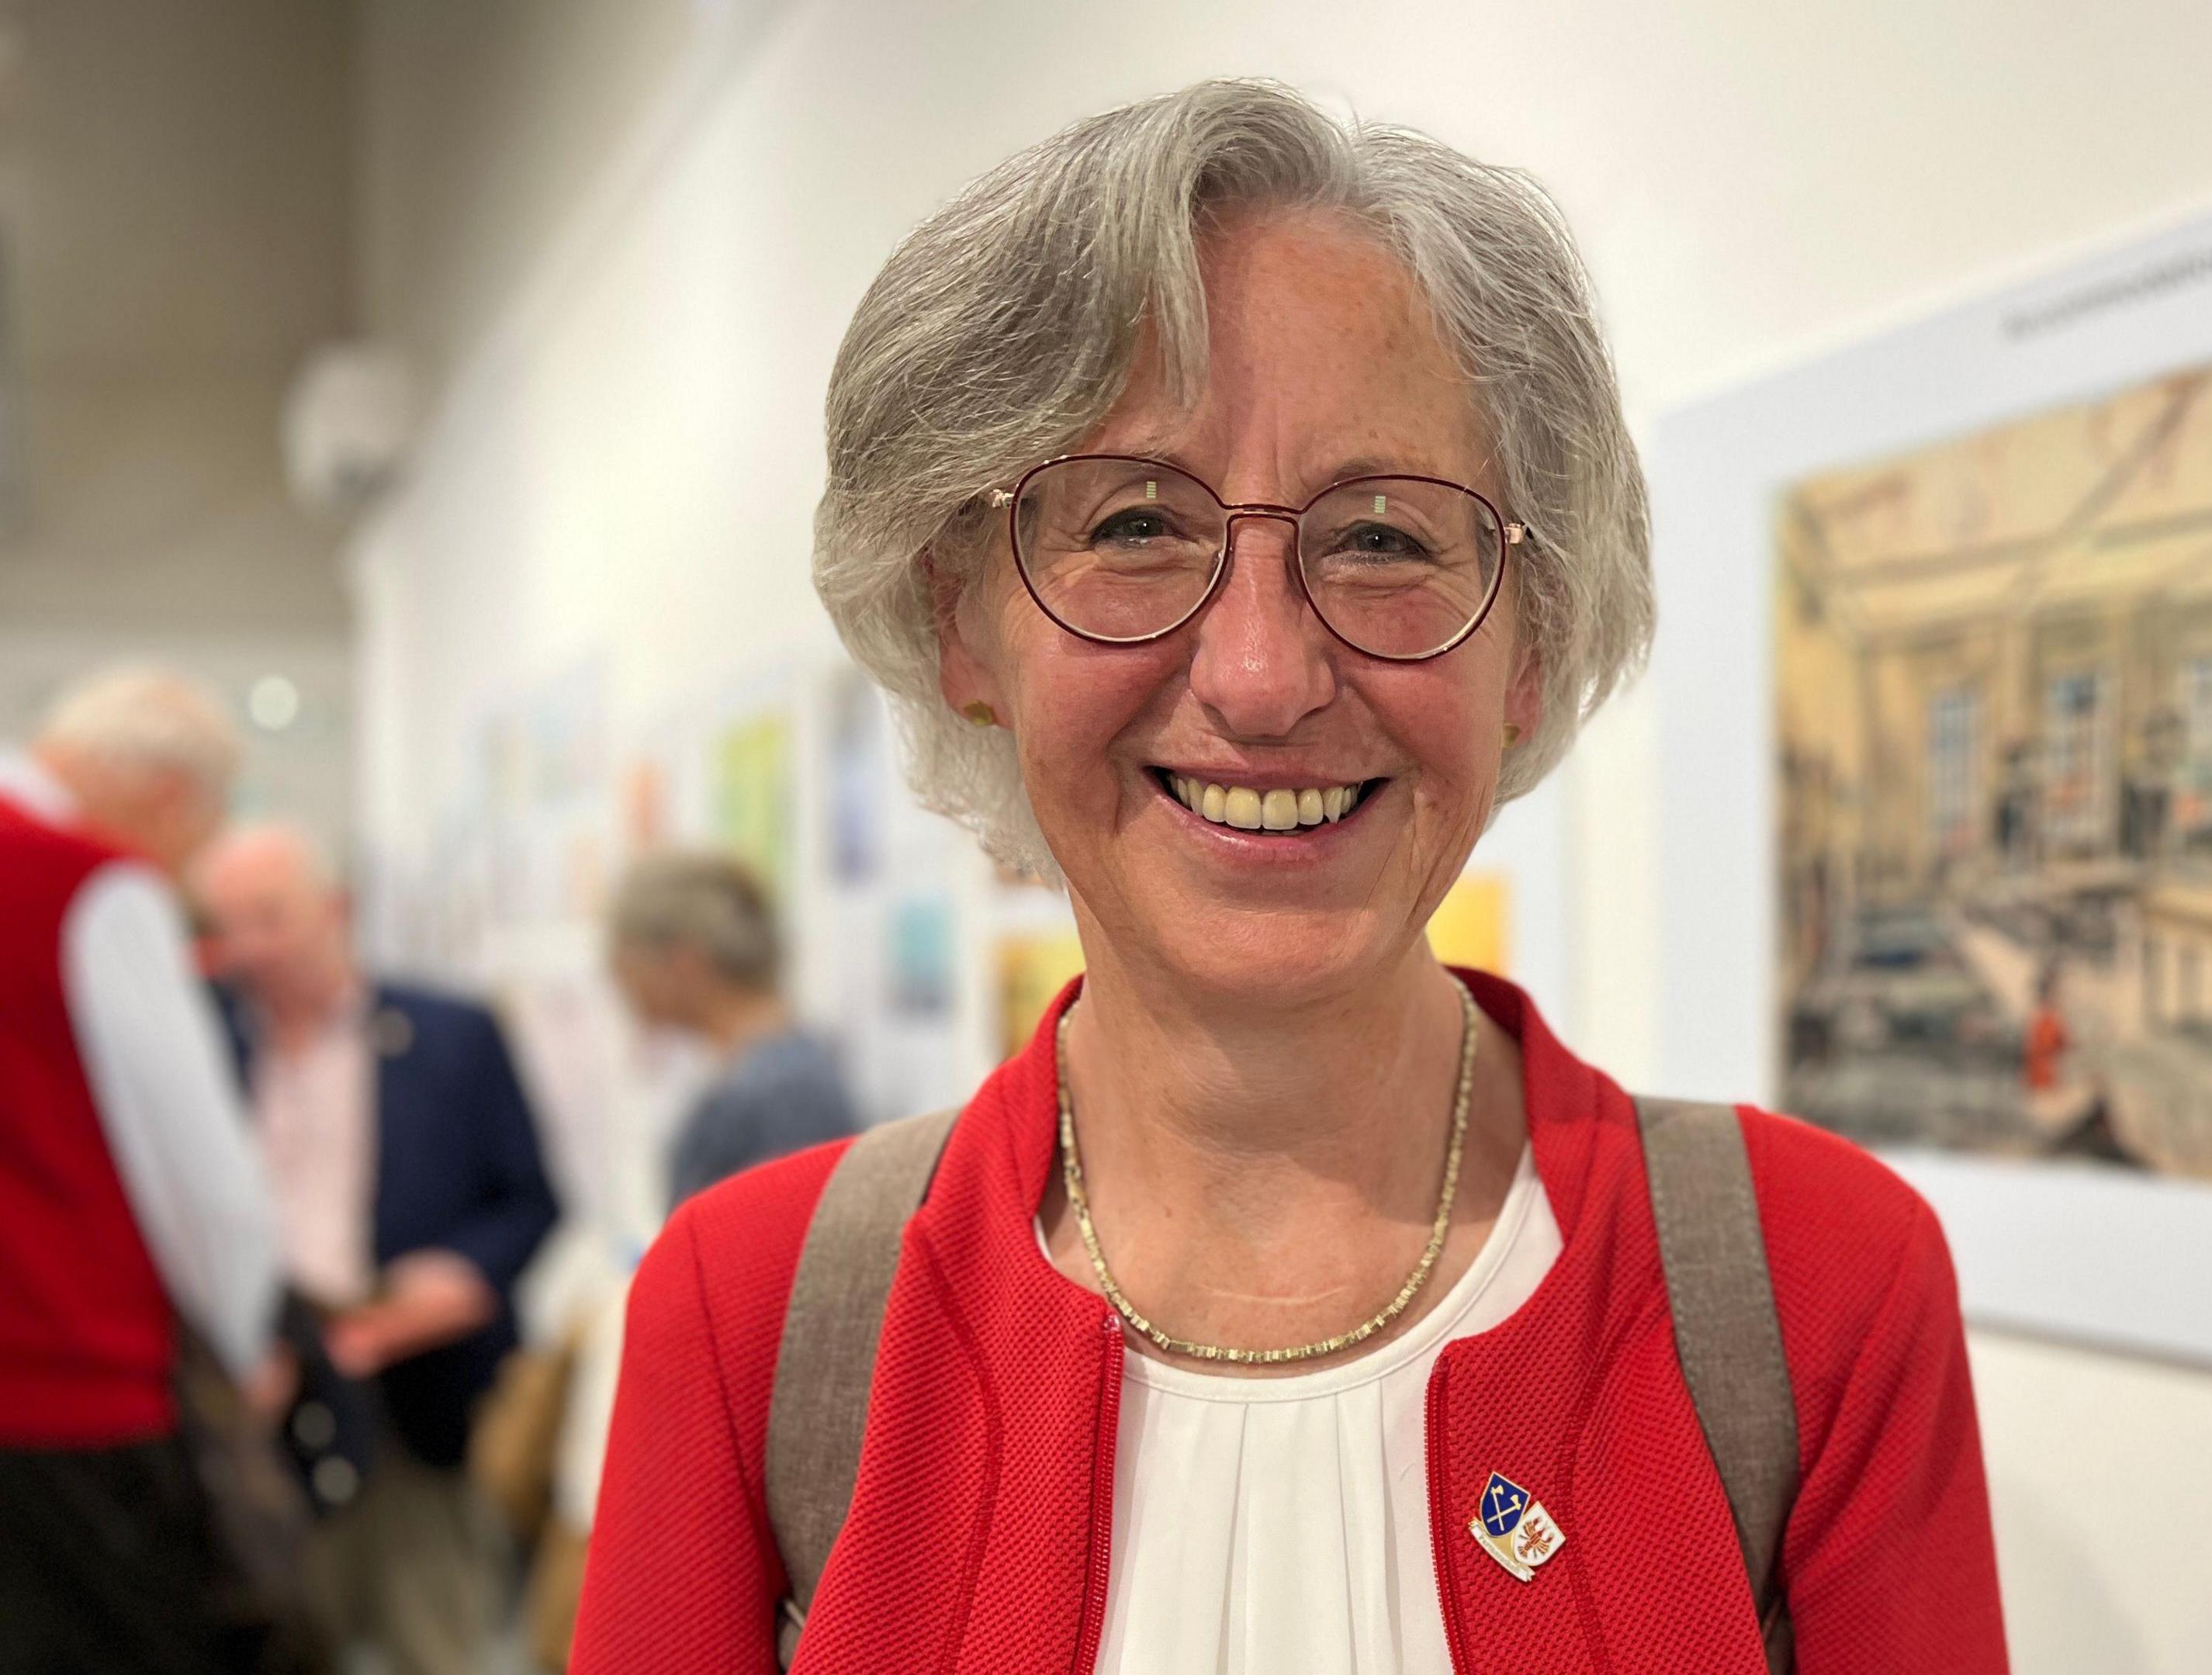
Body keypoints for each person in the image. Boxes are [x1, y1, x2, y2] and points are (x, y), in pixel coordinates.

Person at [574, 80, 2006, 1674]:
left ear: (1530, 645)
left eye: (1385, 537)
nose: (1261, 673)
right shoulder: (751, 1316)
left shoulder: (1820, 1287)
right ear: (961, 623)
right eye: (1134, 522)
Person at [193, 822, 561, 1675]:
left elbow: (530, 1199)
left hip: (418, 1398)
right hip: (258, 1403)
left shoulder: (450, 1034)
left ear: (336, 911)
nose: (249, 948)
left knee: (435, 1635)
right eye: (228, 924)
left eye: (270, 917)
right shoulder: (207, 1043)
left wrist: (463, 1277)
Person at [0, 667, 283, 1673]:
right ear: (168, 794)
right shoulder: (86, 881)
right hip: (71, 1391)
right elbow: (198, 1171)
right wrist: (244, 1340)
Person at [606, 850, 859, 1209]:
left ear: (682, 964)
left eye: (624, 966)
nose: (622, 987)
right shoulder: (775, 1073)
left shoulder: (779, 1094)